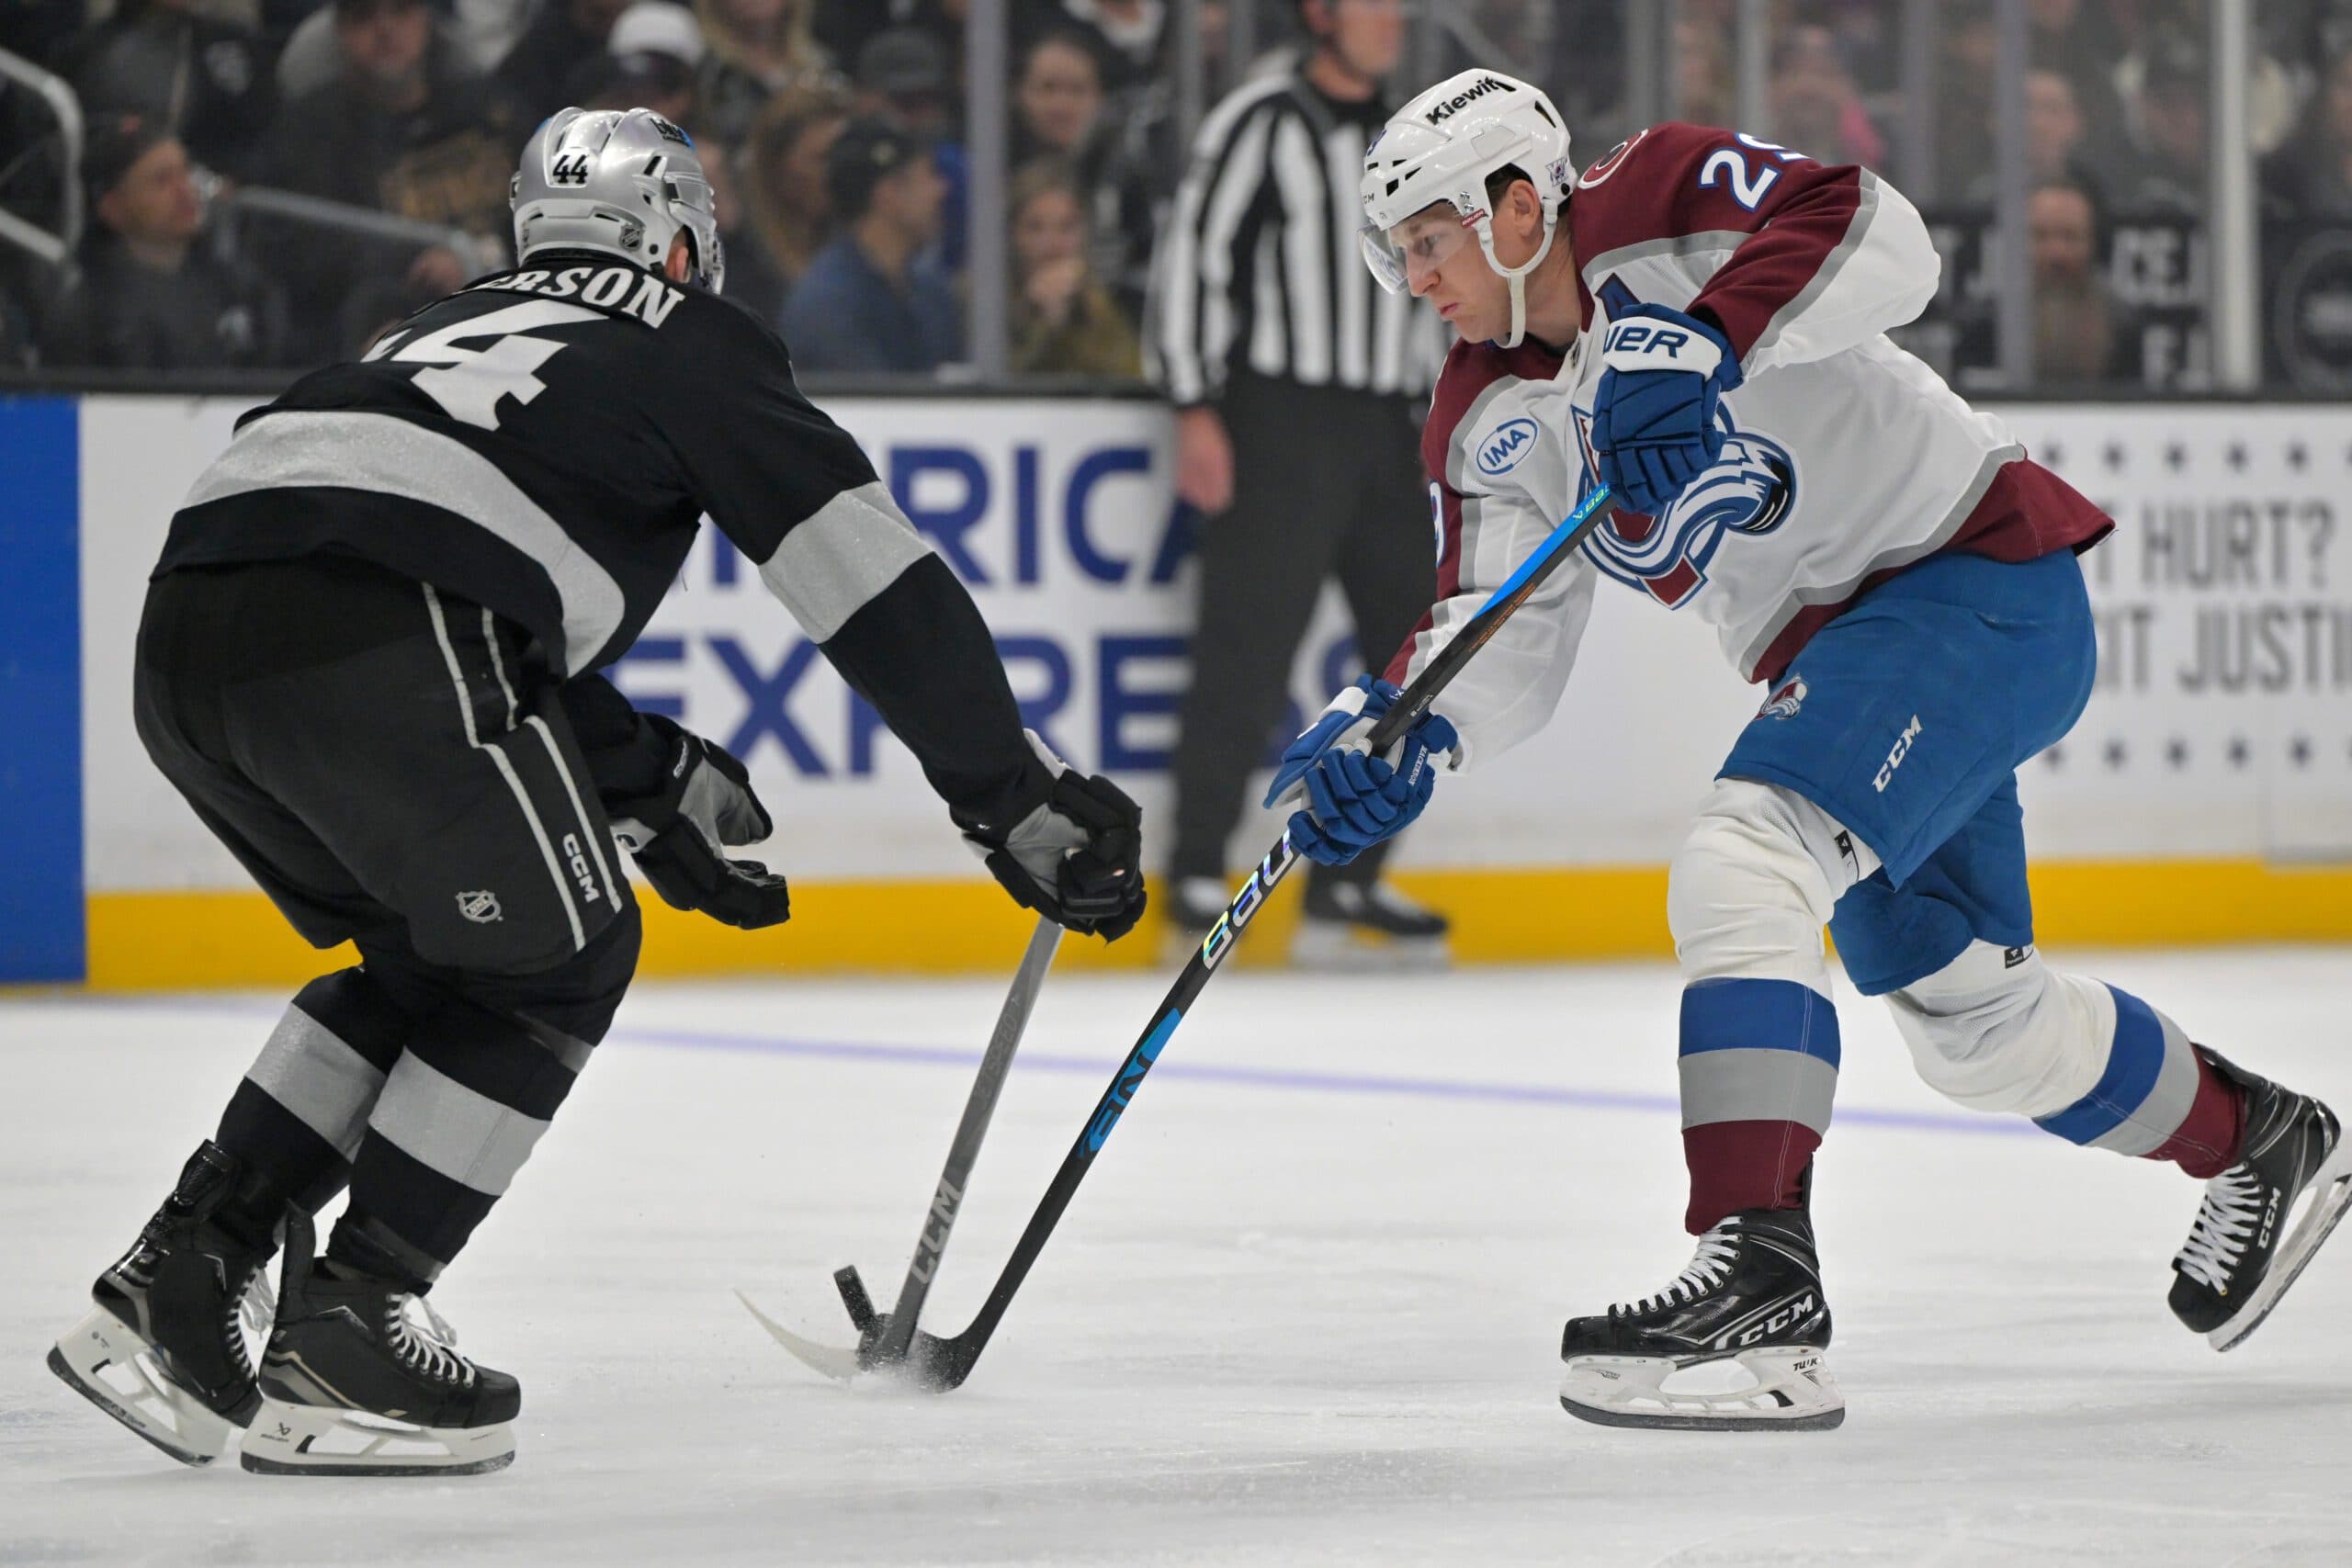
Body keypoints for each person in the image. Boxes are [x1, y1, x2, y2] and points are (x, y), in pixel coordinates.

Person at [46, 106, 1146, 1478]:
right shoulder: (686, 335)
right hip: (385, 630)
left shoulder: (430, 327)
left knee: (435, 949)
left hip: (193, 639)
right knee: (561, 955)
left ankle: (187, 1267)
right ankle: (354, 1318)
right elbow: (870, 578)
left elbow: (431, 564)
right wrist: (1012, 794)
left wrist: (652, 776)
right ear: (678, 236)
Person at [1278, 68, 2352, 1430]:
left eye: (1429, 236)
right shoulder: (1483, 419)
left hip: (1973, 574)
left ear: (1512, 200)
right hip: (1854, 658)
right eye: (1399, 253)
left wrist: (1708, 338)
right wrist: (1396, 734)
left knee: (1744, 858)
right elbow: (1496, 637)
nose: (1416, 275)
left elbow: (1882, 234)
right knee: (1973, 1020)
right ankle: (2262, 1137)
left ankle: (1760, 1274)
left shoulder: (1658, 198)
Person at [1148, 0, 1448, 968]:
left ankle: (1347, 875)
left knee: (1417, 656)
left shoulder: (1412, 132)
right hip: (1281, 419)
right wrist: (1194, 403)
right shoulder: (1261, 117)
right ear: (1320, 13)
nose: (1393, 18)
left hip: (1391, 427)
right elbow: (1193, 256)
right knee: (1248, 641)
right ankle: (1198, 865)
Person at [256, 0, 521, 360]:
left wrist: (481, 256)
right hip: (395, 324)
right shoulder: (311, 134)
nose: (385, 30)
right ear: (338, 31)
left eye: (401, 10)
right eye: (363, 16)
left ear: (427, 19)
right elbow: (302, 247)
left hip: (517, 297)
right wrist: (414, 260)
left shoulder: (489, 108)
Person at [40, 113, 290, 371]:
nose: (185, 190)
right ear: (112, 207)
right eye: (161, 181)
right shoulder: (89, 317)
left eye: (186, 172)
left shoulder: (242, 291)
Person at [778, 115, 960, 372]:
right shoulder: (828, 304)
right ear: (888, 194)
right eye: (928, 175)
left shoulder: (929, 288)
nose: (941, 189)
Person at [1008, 158, 1140, 376]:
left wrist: (1084, 314)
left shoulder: (1111, 302)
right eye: (1035, 227)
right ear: (1013, 235)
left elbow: (1129, 377)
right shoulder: (985, 305)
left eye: (1067, 227)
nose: (1052, 244)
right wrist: (1041, 324)